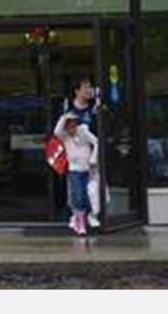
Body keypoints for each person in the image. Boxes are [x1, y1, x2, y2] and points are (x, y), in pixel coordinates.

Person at [64, 77, 103, 228]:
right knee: (75, 188)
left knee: (93, 187)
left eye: (90, 87)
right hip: (74, 155)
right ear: (77, 91)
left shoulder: (93, 107)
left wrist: (99, 100)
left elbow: (98, 131)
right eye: (85, 87)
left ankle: (92, 214)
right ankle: (77, 215)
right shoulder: (69, 109)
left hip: (91, 154)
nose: (88, 90)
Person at [53, 111, 98, 236]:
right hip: (74, 170)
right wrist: (64, 117)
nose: (71, 129)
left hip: (88, 169)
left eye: (73, 126)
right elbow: (56, 132)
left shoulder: (84, 133)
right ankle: (80, 222)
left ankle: (83, 218)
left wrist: (93, 158)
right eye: (68, 127)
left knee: (89, 196)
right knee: (78, 196)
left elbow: (96, 142)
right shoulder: (65, 136)